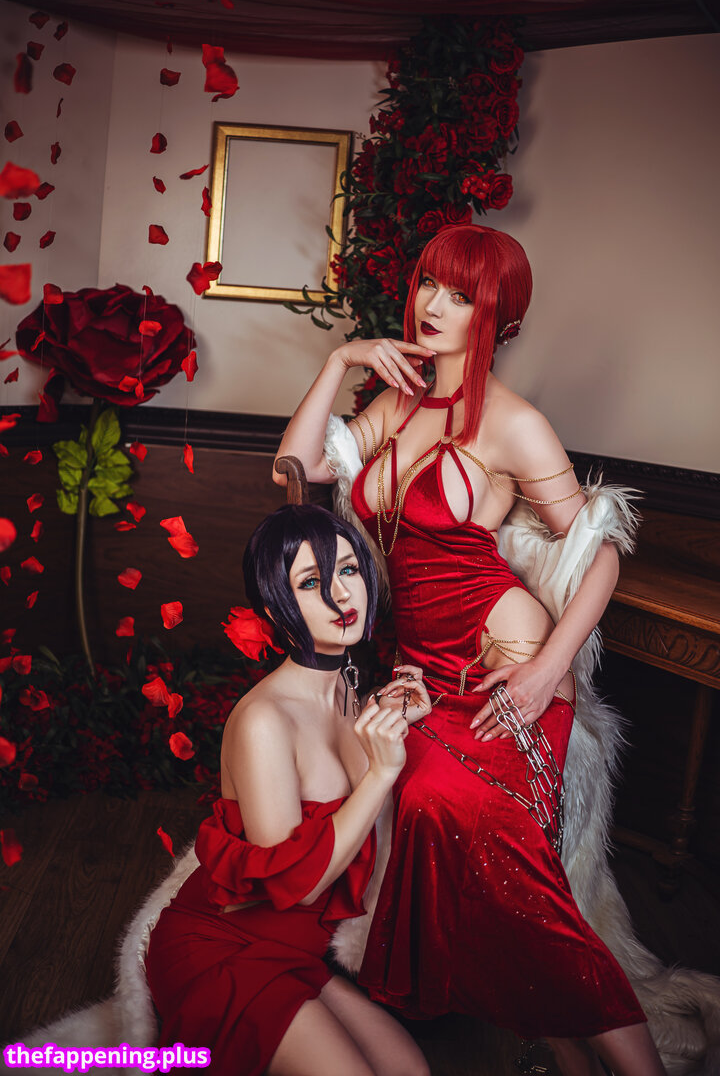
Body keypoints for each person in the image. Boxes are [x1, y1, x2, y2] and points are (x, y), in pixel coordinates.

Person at [274, 225, 668, 1076]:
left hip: (505, 662)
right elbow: (295, 472)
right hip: (422, 670)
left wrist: (548, 671)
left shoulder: (516, 424)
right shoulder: (395, 406)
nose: (433, 305)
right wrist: (342, 359)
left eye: (460, 295)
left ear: (497, 315)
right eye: (428, 283)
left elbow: (602, 550)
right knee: (427, 811)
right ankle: (565, 1052)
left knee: (483, 838)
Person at [145, 504, 432, 1076]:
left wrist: (393, 717)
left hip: (296, 953)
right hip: (223, 948)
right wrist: (380, 773)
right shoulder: (263, 720)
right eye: (310, 582)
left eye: (348, 570)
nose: (340, 595)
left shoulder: (351, 693)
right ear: (277, 607)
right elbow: (294, 887)